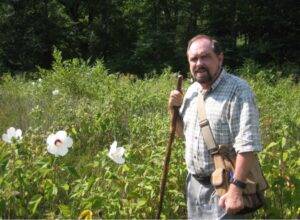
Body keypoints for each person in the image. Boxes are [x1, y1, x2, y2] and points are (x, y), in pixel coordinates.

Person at [168, 34, 262, 219]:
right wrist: (173, 110)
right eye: (193, 59)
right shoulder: (193, 90)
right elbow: (183, 134)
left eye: (205, 57)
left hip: (224, 187)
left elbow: (248, 145)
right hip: (194, 185)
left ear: (220, 58)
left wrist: (236, 189)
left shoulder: (238, 90)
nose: (199, 63)